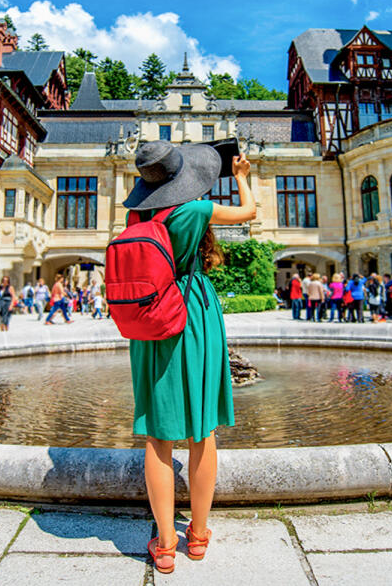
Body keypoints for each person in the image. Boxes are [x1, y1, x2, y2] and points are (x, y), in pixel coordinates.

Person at [121, 140, 255, 574]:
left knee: (158, 435)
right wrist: (241, 177)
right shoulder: (195, 211)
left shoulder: (137, 217)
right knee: (202, 430)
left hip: (150, 315)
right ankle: (196, 536)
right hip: (192, 311)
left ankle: (164, 544)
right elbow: (249, 212)